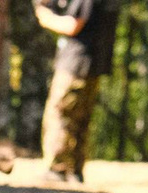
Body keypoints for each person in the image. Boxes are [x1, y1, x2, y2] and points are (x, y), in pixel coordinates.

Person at [35, 0, 116, 182]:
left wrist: (45, 17)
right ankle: (75, 170)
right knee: (81, 118)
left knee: (60, 114)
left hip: (75, 63)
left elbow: (73, 25)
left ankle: (57, 167)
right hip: (94, 64)